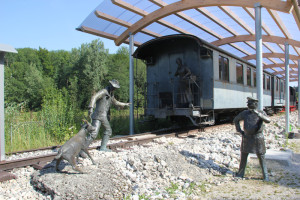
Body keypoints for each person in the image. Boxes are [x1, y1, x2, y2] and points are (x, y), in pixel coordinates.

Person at [85, 79, 130, 151]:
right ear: (110, 85)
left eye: (115, 88)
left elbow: (115, 102)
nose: (114, 88)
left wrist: (124, 104)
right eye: (114, 87)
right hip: (98, 115)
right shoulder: (104, 91)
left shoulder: (111, 94)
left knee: (106, 131)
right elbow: (94, 97)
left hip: (102, 116)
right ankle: (82, 149)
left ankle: (102, 147)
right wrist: (91, 108)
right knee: (96, 133)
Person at [233, 97, 271, 181]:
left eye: (250, 103)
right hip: (247, 137)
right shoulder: (245, 113)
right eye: (248, 103)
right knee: (244, 155)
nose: (248, 105)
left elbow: (268, 120)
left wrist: (259, 115)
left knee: (261, 156)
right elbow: (236, 120)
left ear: (256, 104)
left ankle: (265, 175)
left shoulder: (261, 112)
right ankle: (241, 173)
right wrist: (239, 130)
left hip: (258, 138)